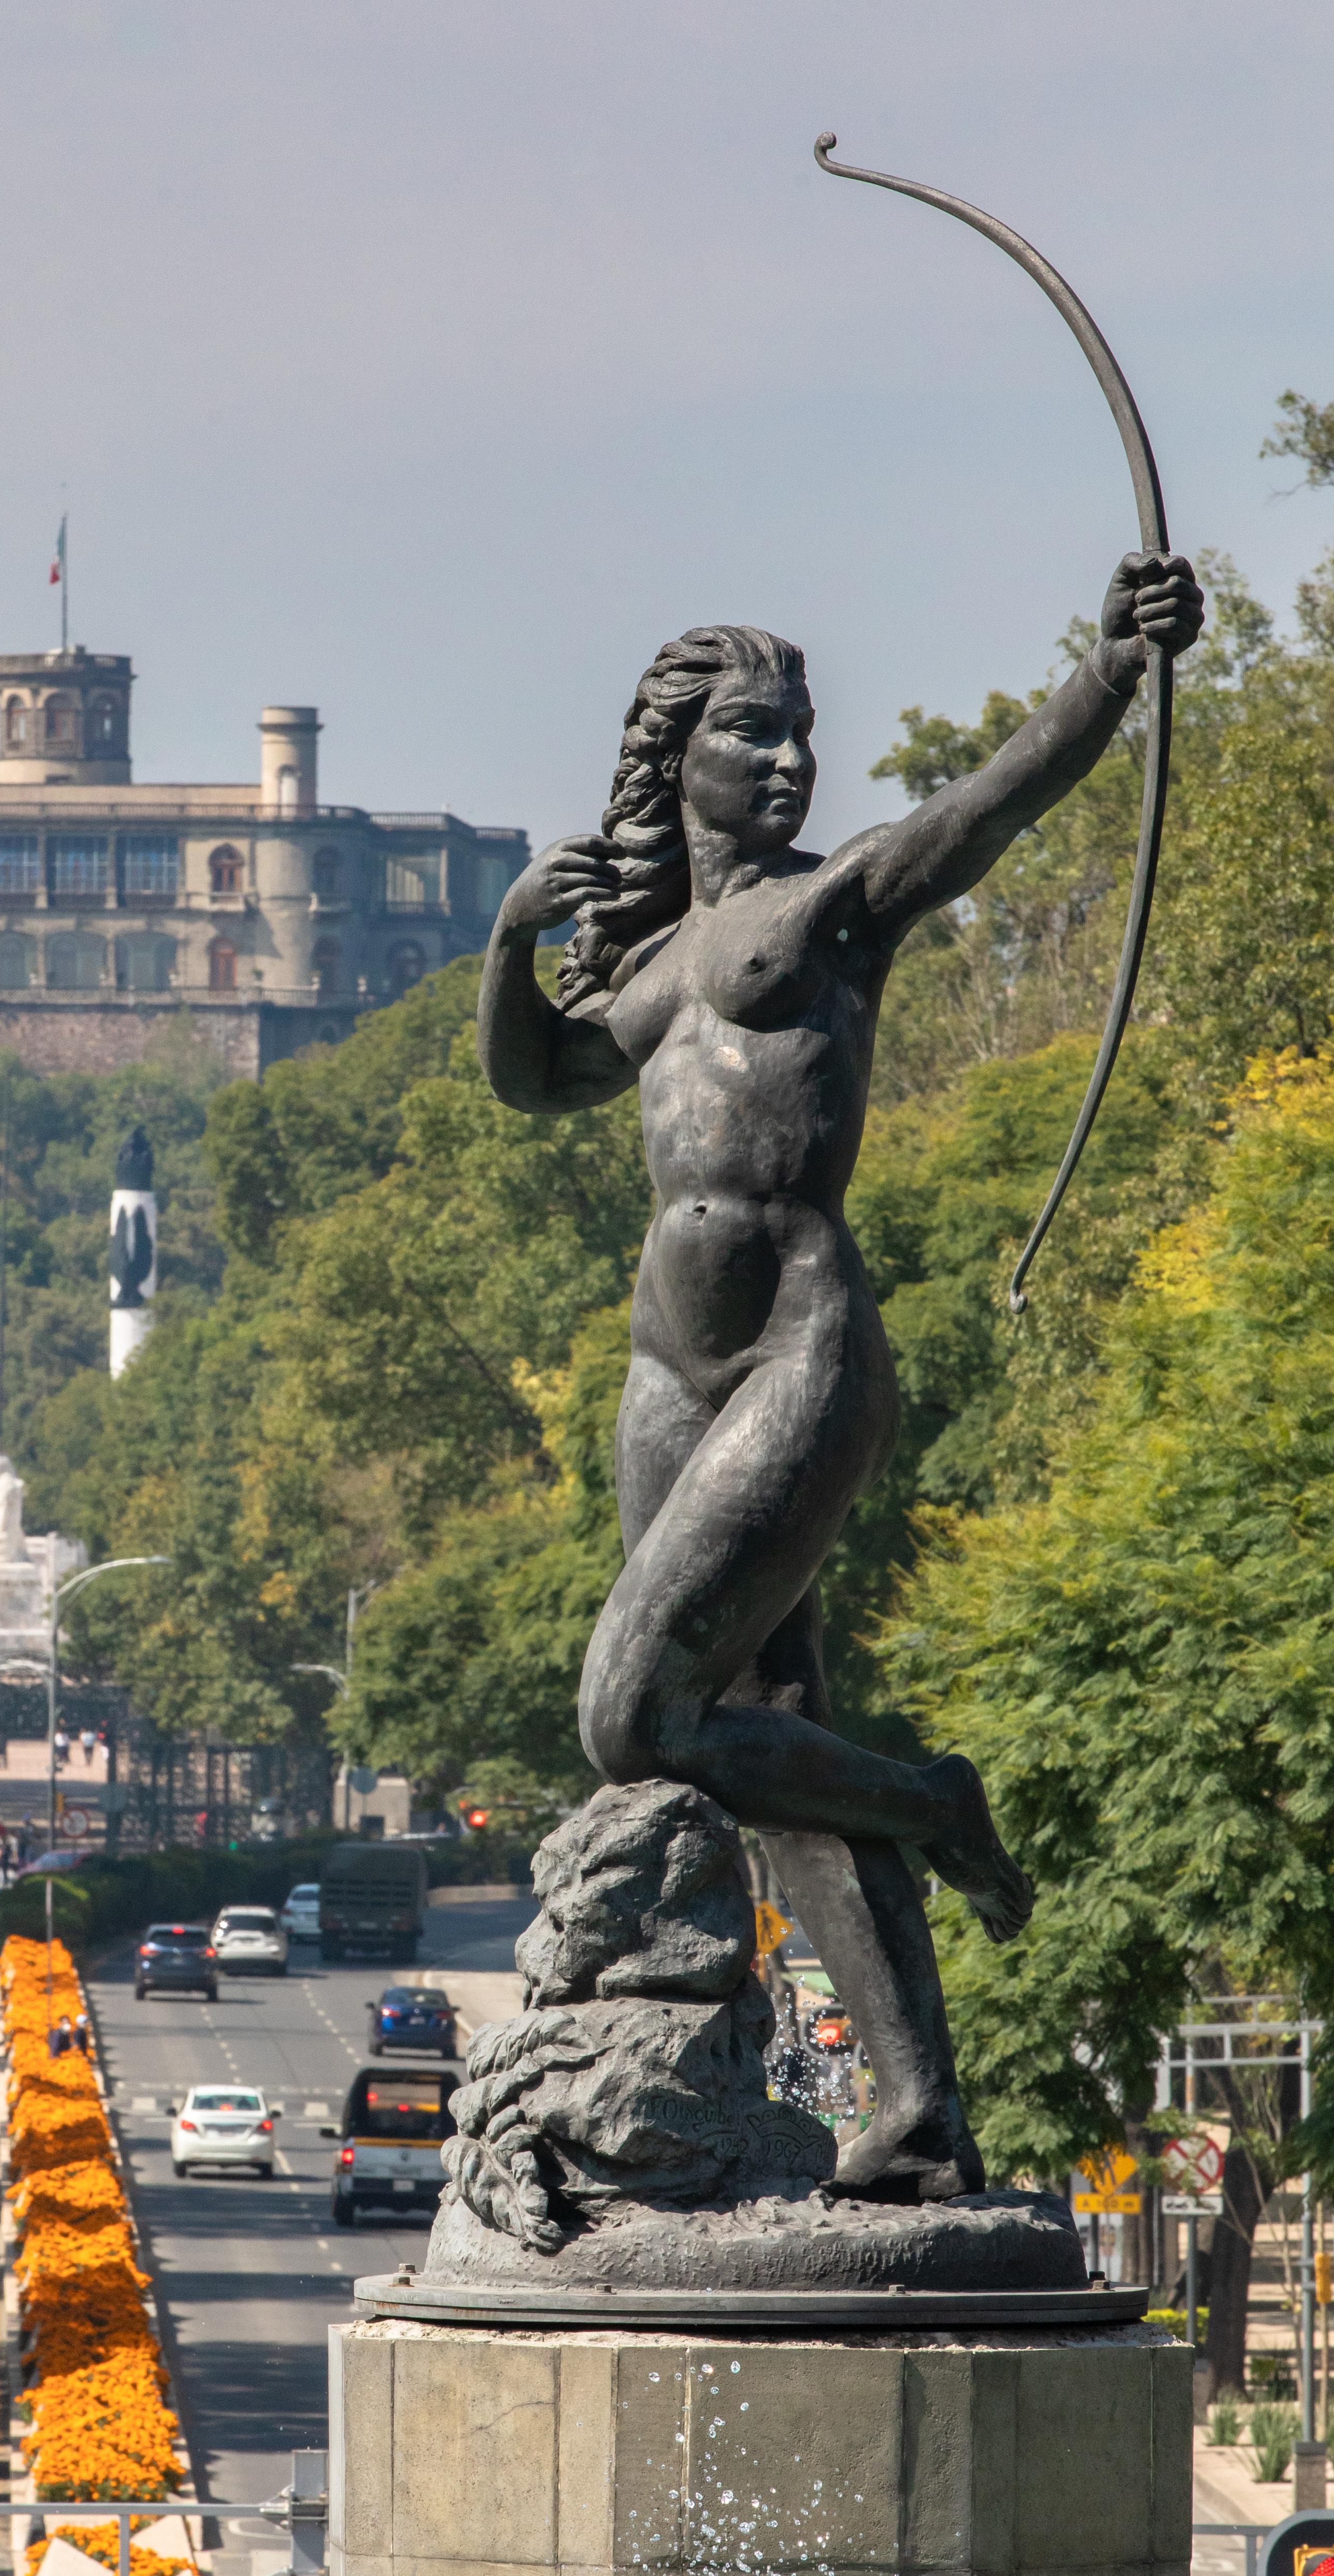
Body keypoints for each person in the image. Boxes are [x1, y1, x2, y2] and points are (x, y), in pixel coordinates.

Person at [477, 555, 1205, 2199]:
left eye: (798, 732)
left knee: (634, 1712)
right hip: (669, 1358)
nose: (790, 760)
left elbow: (978, 814)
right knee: (760, 1730)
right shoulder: (657, 952)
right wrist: (509, 946)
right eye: (754, 735)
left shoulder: (831, 903)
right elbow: (538, 1077)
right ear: (682, 758)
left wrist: (1105, 675)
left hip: (798, 1341)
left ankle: (928, 1795)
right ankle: (914, 2115)